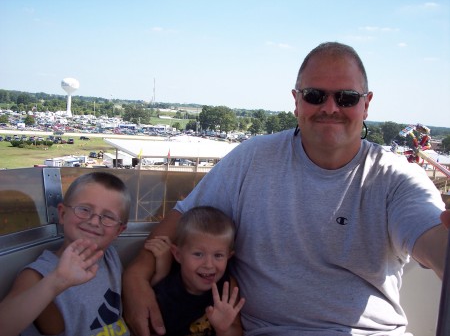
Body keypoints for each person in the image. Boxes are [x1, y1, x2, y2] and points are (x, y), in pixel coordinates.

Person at [123, 42, 450, 335]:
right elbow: (181, 220)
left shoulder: (395, 178)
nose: (331, 108)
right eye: (315, 95)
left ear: (366, 105)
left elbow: (434, 241)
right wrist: (136, 278)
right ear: (297, 101)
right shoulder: (253, 159)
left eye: (347, 98)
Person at [0, 171, 132, 336]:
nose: (93, 221)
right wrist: (57, 281)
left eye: (108, 217)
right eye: (84, 209)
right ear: (62, 214)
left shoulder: (110, 256)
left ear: (118, 231)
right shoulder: (39, 274)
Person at [144, 206, 245, 336]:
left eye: (218, 255)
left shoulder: (227, 286)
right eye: (198, 254)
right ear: (178, 255)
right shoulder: (165, 291)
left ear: (228, 257)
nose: (209, 265)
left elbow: (236, 331)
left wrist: (223, 329)